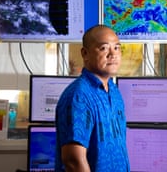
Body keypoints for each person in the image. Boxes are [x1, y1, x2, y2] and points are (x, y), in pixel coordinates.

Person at [55, 24, 130, 172]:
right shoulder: (79, 96)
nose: (112, 54)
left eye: (117, 47)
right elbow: (73, 161)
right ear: (85, 54)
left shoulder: (114, 91)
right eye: (103, 48)